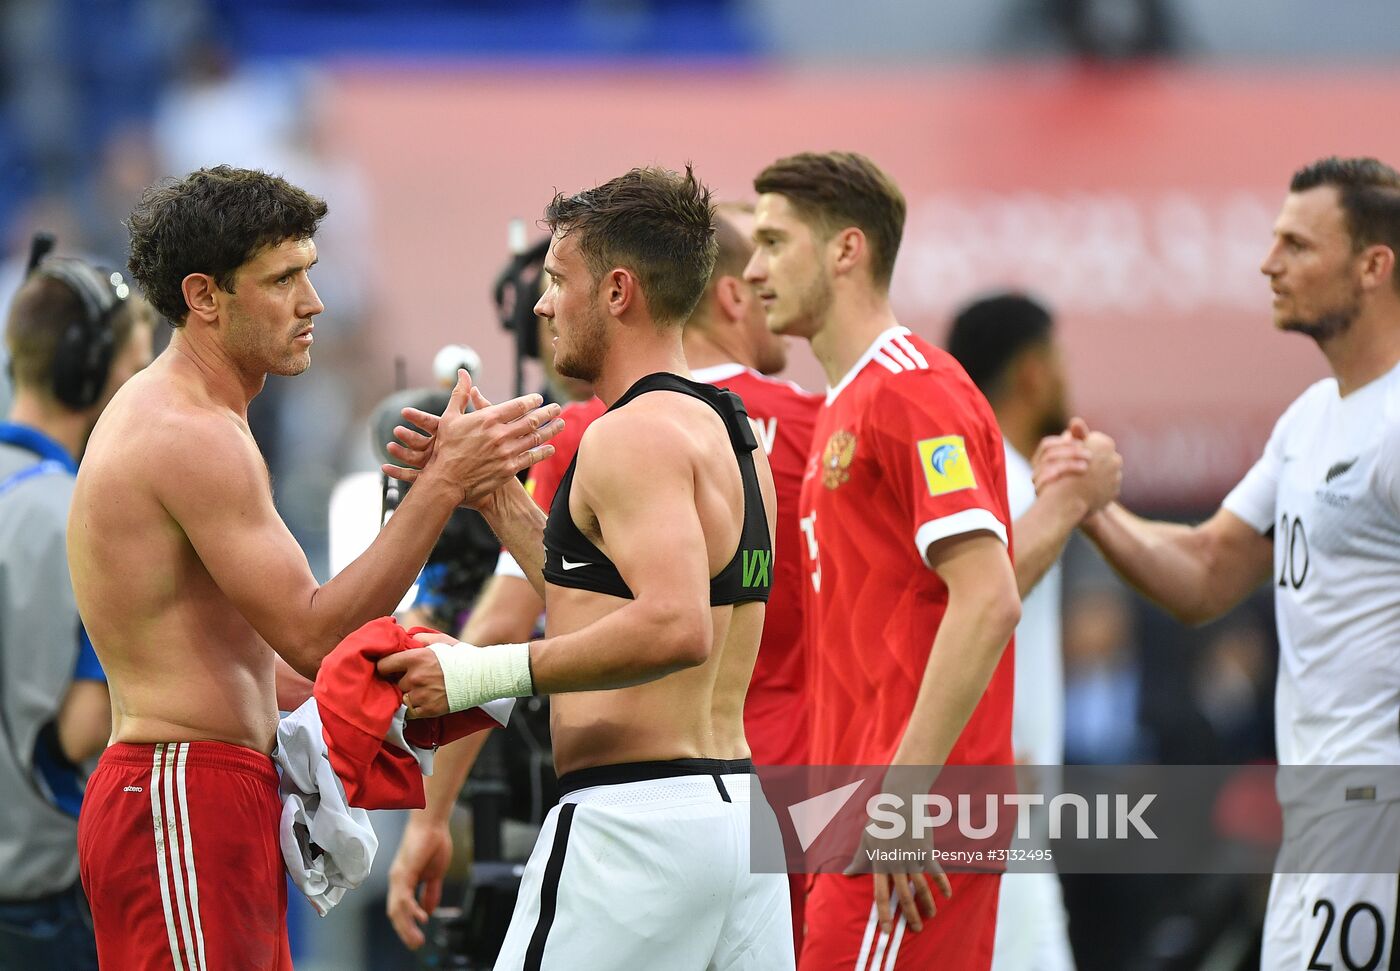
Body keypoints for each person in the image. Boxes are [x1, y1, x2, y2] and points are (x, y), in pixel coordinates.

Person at [67, 165, 563, 971]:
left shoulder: (202, 419)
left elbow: (247, 654)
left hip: (202, 789)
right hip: (180, 794)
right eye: (283, 279)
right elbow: (310, 632)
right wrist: (442, 484)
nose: (313, 302)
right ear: (204, 296)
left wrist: (394, 676)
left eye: (310, 271)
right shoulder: (187, 431)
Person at [379, 166, 795, 969]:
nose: (541, 306)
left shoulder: (626, 435)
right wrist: (496, 496)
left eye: (557, 281)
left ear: (617, 291)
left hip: (633, 828)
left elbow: (674, 625)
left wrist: (477, 673)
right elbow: (611, 596)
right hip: (738, 821)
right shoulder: (731, 434)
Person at [1035, 156, 1400, 971]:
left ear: (1373, 266)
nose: (1269, 263)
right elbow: (1205, 569)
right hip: (1317, 815)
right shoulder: (1310, 419)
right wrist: (1091, 503)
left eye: (1298, 245)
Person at [744, 151, 1020, 971]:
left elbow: (989, 597)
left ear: (846, 249)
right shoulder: (847, 403)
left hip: (907, 822)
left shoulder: (911, 390)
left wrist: (901, 798)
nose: (753, 270)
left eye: (773, 242)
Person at [946, 293, 1121, 971]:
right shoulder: (1005, 482)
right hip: (995, 795)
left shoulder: (985, 479)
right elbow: (972, 603)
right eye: (1059, 358)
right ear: (1032, 372)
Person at [0, 248, 155, 970]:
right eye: (136, 367)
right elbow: (82, 728)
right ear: (89, 373)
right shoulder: (83, 516)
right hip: (41, 900)